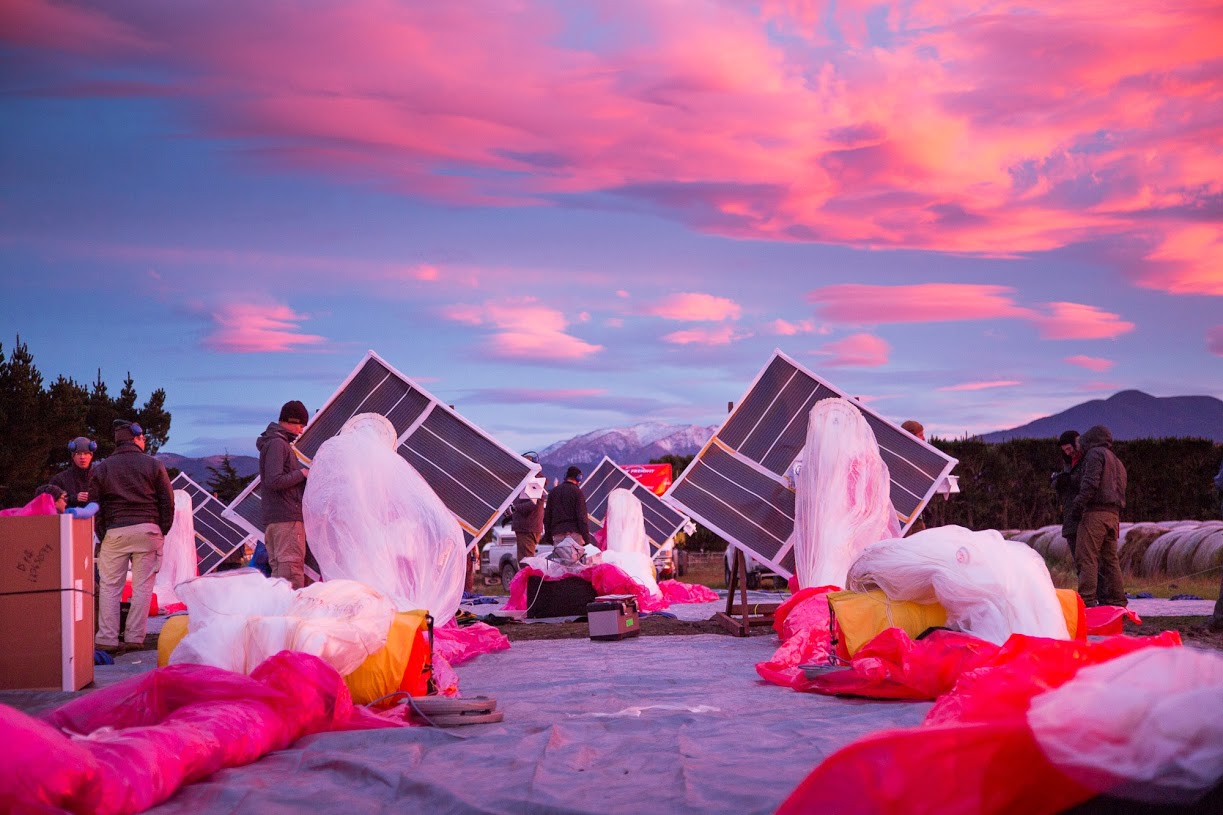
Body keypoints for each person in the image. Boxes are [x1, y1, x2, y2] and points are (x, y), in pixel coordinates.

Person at [89, 419, 174, 655]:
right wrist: (161, 529)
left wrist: (104, 533)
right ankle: (135, 637)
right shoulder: (154, 465)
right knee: (142, 587)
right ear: (135, 437)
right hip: (148, 530)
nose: (145, 440)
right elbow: (167, 501)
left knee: (109, 587)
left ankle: (106, 639)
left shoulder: (102, 468)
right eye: (143, 437)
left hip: (115, 531)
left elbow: (96, 505)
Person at [1070, 425, 1128, 607]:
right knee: (1111, 560)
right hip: (1114, 516)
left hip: (1095, 514)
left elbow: (1090, 483)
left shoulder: (1095, 455)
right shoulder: (1117, 461)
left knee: (1086, 558)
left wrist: (1077, 507)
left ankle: (1086, 602)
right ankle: (1118, 602)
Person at [258, 400, 310, 589]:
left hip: (276, 519)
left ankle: (281, 615)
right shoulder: (278, 444)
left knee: (280, 576)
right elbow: (274, 480)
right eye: (300, 425)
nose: (301, 431)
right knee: (291, 573)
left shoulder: (272, 443)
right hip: (286, 520)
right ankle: (292, 617)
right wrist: (302, 474)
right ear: (290, 420)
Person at [543, 465, 592, 550]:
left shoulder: (554, 492)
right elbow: (582, 517)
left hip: (557, 534)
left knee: (560, 562)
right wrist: (587, 539)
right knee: (575, 562)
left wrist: (548, 536)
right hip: (574, 535)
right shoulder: (578, 492)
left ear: (566, 476)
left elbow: (547, 517)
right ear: (578, 478)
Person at [1051, 430, 1083, 558]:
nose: (1067, 452)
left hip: (1081, 517)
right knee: (1078, 559)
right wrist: (1058, 481)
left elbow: (1088, 483)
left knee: (1086, 560)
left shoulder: (1088, 460)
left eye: (1069, 449)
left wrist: (1070, 480)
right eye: (1064, 450)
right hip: (1070, 516)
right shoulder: (1067, 463)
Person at [51, 436, 96, 510]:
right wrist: (73, 498)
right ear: (73, 456)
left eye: (86, 453)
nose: (82, 457)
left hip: (98, 520)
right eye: (78, 453)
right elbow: (51, 501)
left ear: (91, 456)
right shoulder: (60, 479)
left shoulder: (101, 476)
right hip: (69, 520)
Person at [900, 420, 927, 536]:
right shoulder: (900, 458)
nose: (924, 439)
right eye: (920, 435)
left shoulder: (919, 457)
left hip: (916, 514)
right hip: (902, 516)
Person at [511, 478, 547, 563]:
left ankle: (528, 577)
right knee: (524, 560)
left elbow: (532, 504)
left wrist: (514, 508)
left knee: (526, 562)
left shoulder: (534, 480)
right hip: (526, 526)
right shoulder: (531, 480)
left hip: (527, 527)